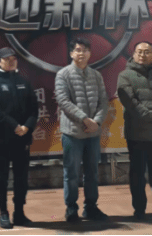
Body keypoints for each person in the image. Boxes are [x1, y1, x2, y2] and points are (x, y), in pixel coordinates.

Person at [0, 47, 39, 229]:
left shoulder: (23, 82)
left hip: (22, 139)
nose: (11, 61)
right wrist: (14, 126)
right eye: (7, 59)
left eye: (13, 58)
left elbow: (34, 109)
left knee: (21, 178)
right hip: (1, 139)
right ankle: (3, 213)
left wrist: (27, 127)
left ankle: (19, 212)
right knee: (1, 177)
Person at [55, 38, 109, 222]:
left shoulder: (96, 75)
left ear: (90, 53)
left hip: (93, 133)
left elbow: (103, 101)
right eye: (78, 50)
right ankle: (71, 208)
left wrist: (97, 122)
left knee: (92, 172)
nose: (81, 53)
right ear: (71, 53)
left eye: (85, 50)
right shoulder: (63, 74)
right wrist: (85, 119)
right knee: (71, 173)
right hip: (72, 134)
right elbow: (63, 101)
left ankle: (91, 207)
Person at [117, 41, 152, 220]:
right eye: (140, 52)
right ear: (133, 54)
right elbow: (130, 103)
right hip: (136, 134)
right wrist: (149, 115)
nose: (143, 55)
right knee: (137, 174)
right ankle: (139, 209)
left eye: (147, 52)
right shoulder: (125, 76)